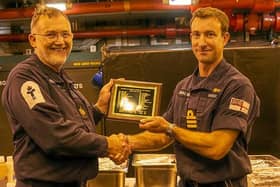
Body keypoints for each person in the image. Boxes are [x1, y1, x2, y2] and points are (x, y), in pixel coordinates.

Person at [127, 7, 260, 187]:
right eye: (196, 35)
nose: (202, 42)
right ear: (191, 38)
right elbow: (163, 136)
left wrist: (171, 128)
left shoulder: (237, 86)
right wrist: (125, 142)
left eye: (210, 34)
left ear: (225, 39)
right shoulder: (184, 86)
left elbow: (217, 147)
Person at [1, 7, 130, 187]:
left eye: (65, 34)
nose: (60, 41)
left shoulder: (60, 76)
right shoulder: (25, 78)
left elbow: (73, 124)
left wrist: (99, 108)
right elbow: (55, 136)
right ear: (33, 40)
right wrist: (108, 144)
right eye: (51, 35)